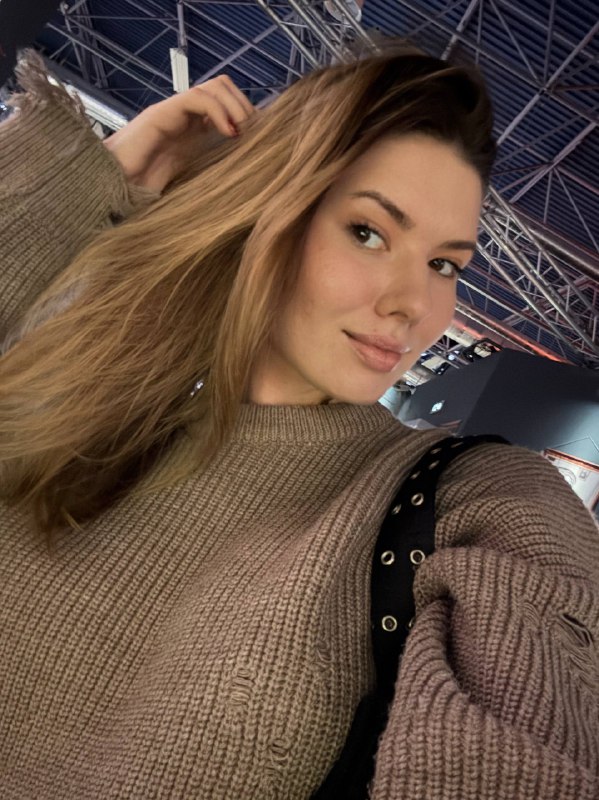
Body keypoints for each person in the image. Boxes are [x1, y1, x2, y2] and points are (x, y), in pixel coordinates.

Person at [0, 43, 597, 800]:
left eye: (444, 264)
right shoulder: (86, 408)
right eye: (369, 232)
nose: (413, 304)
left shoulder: (475, 499)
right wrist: (112, 172)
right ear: (267, 212)